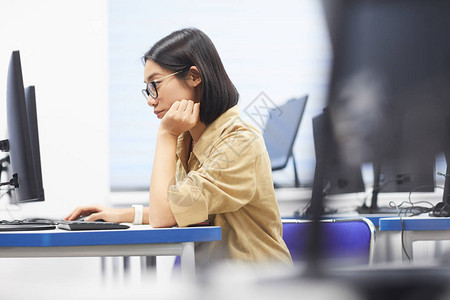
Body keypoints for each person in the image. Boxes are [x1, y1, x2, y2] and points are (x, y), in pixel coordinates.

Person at [65, 28, 292, 266]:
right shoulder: (188, 139)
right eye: (148, 89)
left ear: (194, 76)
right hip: (217, 281)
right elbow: (180, 208)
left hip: (258, 282)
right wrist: (122, 215)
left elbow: (165, 217)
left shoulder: (240, 143)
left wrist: (166, 134)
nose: (151, 100)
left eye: (155, 85)